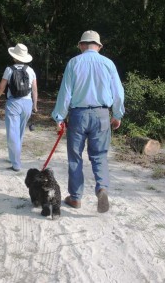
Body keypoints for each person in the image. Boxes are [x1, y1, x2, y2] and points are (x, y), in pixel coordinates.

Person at [52, 30, 125, 213]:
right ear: (99, 46)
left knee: (75, 157)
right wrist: (117, 114)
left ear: (81, 45)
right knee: (99, 155)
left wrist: (59, 117)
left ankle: (75, 198)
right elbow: (118, 92)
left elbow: (65, 93)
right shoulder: (108, 64)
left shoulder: (74, 63)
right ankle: (101, 188)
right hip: (101, 115)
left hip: (78, 116)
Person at [0, 43, 38, 171]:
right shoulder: (31, 71)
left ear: (14, 57)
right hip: (27, 104)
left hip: (13, 103)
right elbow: (34, 90)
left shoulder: (9, 69)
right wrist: (35, 105)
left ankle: (16, 163)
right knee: (19, 132)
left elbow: (2, 86)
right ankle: (14, 156)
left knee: (12, 133)